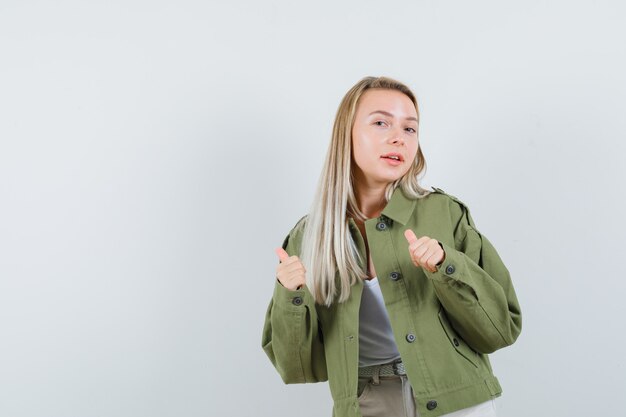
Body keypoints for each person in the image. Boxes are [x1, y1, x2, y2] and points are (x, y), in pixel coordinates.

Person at [261, 76, 522, 417]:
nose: (399, 137)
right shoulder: (308, 238)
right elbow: (297, 368)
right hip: (366, 404)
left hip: (457, 399)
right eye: (381, 122)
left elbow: (500, 330)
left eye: (410, 128)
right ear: (347, 135)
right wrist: (291, 295)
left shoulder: (444, 213)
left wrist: (447, 266)